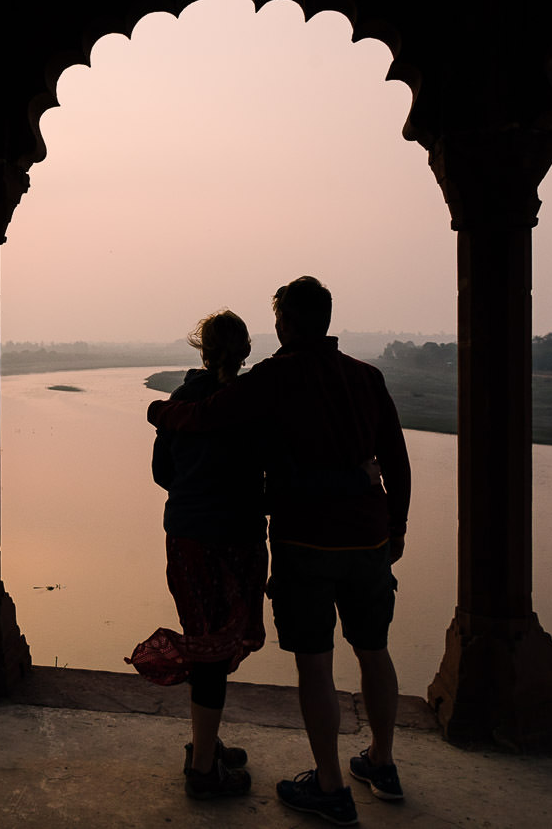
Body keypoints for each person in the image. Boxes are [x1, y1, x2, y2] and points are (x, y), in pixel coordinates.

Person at [147, 276, 411, 827]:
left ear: (283, 324)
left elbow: (208, 417)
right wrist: (397, 528)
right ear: (328, 319)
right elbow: (397, 460)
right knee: (374, 649)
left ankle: (332, 786)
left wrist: (162, 413)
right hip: (368, 539)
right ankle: (382, 765)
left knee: (316, 666)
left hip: (304, 541)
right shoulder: (368, 377)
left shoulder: (275, 378)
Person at [125, 309, 265, 800]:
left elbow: (163, 474)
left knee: (207, 643)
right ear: (246, 352)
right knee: (214, 649)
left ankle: (205, 746)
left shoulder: (181, 402)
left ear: (201, 351)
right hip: (237, 536)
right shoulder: (250, 403)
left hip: (188, 536)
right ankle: (204, 770)